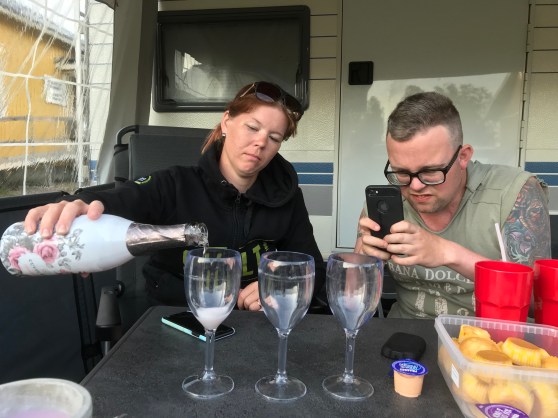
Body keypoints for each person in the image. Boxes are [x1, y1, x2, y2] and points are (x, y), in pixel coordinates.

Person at [24, 81, 325, 311]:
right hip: (174, 320)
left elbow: (315, 270)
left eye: (274, 138)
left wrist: (284, 286)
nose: (260, 142)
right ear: (226, 122)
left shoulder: (286, 197)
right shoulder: (175, 185)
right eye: (252, 127)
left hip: (254, 325)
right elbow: (120, 200)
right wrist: (78, 206)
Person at [355, 91, 550, 319]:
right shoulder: (384, 203)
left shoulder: (514, 193)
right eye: (402, 172)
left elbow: (539, 303)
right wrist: (362, 265)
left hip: (488, 337)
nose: (415, 186)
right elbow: (354, 298)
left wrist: (448, 253)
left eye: (430, 171)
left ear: (463, 156)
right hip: (404, 334)